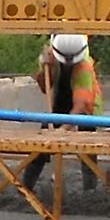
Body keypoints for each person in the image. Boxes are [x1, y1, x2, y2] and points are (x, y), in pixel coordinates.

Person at [21, 32, 101, 192]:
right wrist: (47, 68)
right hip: (60, 101)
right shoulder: (51, 56)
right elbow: (45, 87)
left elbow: (81, 105)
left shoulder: (85, 66)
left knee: (87, 146)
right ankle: (25, 186)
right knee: (41, 145)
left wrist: (63, 129)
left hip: (86, 109)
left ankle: (90, 190)